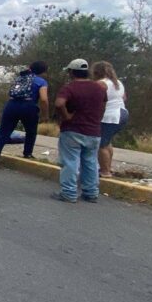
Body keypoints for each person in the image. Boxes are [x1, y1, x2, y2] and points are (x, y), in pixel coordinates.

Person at [53, 58, 107, 203]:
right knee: (90, 162)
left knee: (70, 161)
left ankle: (69, 193)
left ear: (71, 72)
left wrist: (67, 116)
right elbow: (103, 104)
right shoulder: (99, 88)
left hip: (73, 130)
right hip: (94, 131)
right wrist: (97, 118)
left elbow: (59, 104)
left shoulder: (69, 87)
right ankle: (91, 193)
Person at [0, 61, 50, 162]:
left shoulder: (19, 78)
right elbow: (43, 99)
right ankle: (27, 153)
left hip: (11, 104)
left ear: (30, 68)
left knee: (4, 132)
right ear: (43, 71)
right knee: (30, 132)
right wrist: (45, 115)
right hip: (29, 106)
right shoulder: (41, 81)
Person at [93, 61, 128, 178]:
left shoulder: (100, 83)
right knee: (107, 142)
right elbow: (124, 97)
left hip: (109, 116)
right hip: (122, 113)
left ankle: (105, 171)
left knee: (101, 144)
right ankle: (107, 167)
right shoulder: (118, 83)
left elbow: (95, 99)